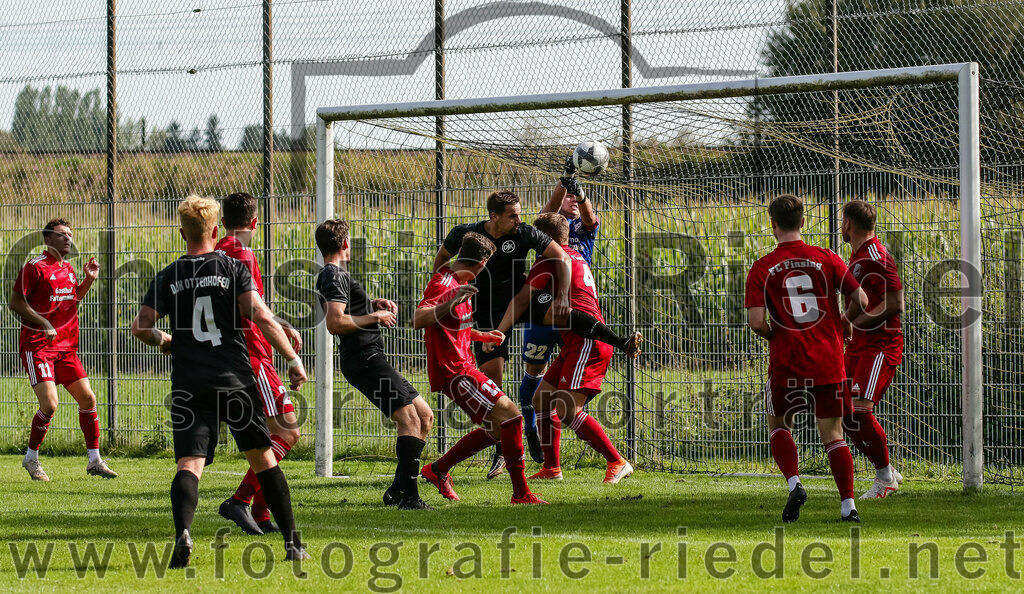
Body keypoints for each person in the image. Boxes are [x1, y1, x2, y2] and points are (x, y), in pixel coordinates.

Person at [131, 195, 309, 568]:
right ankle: (293, 543)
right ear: (215, 230)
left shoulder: (168, 275)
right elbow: (259, 314)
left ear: (182, 233)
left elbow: (141, 327)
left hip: (189, 383)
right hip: (234, 379)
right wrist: (292, 358)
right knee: (263, 460)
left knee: (189, 465)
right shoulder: (232, 267)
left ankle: (183, 532)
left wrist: (165, 340)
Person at [744, 194, 868, 523]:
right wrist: (844, 320)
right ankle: (848, 506)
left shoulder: (761, 268)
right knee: (833, 435)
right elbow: (863, 298)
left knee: (779, 425)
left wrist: (776, 335)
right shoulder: (826, 257)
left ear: (772, 225)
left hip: (787, 362)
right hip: (828, 360)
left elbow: (756, 322)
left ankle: (795, 483)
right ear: (803, 223)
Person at [433, 191, 571, 479]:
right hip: (487, 312)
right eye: (513, 215)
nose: (519, 219)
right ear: (493, 216)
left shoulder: (525, 233)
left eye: (520, 213)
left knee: (568, 320)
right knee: (494, 385)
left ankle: (598, 350)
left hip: (523, 301)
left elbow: (561, 257)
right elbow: (442, 261)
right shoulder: (465, 234)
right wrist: (447, 291)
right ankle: (502, 448)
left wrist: (561, 296)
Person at [497, 212, 634, 483]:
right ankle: (552, 468)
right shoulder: (577, 255)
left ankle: (616, 461)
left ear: (544, 239)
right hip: (578, 340)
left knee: (567, 409)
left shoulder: (550, 259)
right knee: (542, 399)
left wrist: (499, 331)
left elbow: (522, 300)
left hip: (586, 342)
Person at [415, 232, 546, 505]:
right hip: (455, 372)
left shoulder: (461, 283)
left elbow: (454, 326)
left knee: (500, 429)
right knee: (512, 417)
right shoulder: (445, 283)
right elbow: (419, 318)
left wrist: (483, 336)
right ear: (483, 262)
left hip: (463, 367)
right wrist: (452, 299)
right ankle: (521, 494)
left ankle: (437, 470)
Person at [316, 218, 434, 510]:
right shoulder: (333, 275)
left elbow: (347, 310)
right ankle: (410, 497)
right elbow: (335, 322)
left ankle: (397, 489)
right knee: (409, 420)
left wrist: (372, 305)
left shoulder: (338, 275)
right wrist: (375, 318)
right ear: (346, 244)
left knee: (425, 416)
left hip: (371, 357)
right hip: (363, 360)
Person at [214, 192, 306, 534]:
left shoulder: (214, 251)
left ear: (223, 222)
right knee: (288, 432)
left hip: (224, 356)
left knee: (270, 435)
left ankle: (264, 516)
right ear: (255, 222)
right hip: (252, 356)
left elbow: (247, 305)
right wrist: (293, 358)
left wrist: (281, 324)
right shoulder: (243, 253)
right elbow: (254, 312)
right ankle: (239, 501)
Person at [11, 218, 117, 481]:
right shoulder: (35, 267)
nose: (68, 238)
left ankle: (94, 460)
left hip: (66, 349)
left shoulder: (68, 268)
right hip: (38, 347)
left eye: (70, 234)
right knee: (50, 404)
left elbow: (72, 299)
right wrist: (44, 322)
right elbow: (15, 302)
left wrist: (88, 280)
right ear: (47, 240)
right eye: (61, 235)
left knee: (88, 399)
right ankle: (31, 458)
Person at [517, 160, 601, 462]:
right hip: (545, 314)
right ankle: (532, 434)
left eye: (576, 197)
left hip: (572, 313)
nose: (574, 201)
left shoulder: (584, 230)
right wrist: (564, 181)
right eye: (569, 197)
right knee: (533, 377)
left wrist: (580, 193)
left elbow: (591, 217)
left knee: (562, 396)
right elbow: (544, 216)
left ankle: (556, 460)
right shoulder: (546, 230)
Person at [840, 200, 906, 499]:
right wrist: (844, 322)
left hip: (880, 345)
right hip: (859, 344)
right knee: (844, 412)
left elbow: (895, 304)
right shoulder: (858, 256)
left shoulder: (877, 257)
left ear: (848, 224)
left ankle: (884, 479)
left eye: (842, 220)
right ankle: (887, 471)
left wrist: (854, 323)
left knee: (859, 412)